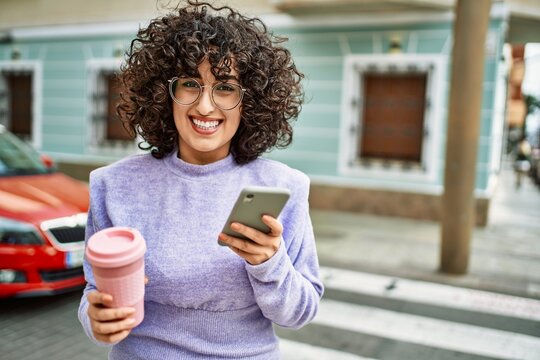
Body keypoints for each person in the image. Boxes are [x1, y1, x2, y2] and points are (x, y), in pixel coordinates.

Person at [77, 1, 324, 359]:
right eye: (190, 83)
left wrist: (270, 264)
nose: (205, 106)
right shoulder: (112, 186)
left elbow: (299, 313)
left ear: (249, 100)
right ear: (164, 94)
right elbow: (93, 294)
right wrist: (95, 319)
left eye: (225, 87)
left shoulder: (283, 187)